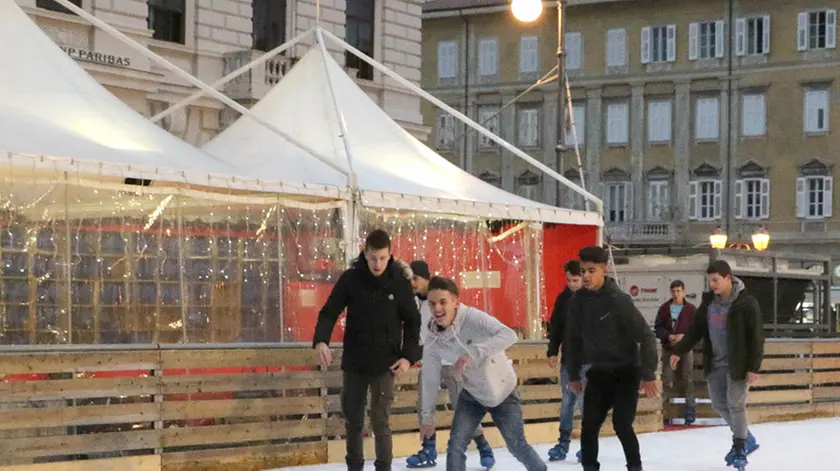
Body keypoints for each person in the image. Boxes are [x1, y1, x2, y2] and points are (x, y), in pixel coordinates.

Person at [313, 229, 421, 471]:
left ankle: (384, 467)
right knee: (353, 420)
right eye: (373, 258)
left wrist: (407, 357)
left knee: (380, 420)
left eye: (382, 258)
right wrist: (322, 340)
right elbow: (329, 311)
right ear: (365, 252)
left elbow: (413, 321)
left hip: (387, 363)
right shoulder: (351, 279)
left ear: (390, 255)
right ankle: (355, 467)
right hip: (355, 362)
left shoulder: (399, 282)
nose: (377, 264)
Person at [419, 277, 546, 471]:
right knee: (455, 447)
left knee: (517, 446)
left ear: (455, 302)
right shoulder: (432, 338)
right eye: (432, 304)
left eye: (443, 302)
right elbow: (429, 377)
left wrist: (472, 353)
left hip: (503, 391)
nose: (437, 309)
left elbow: (508, 335)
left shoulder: (473, 318)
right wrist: (427, 417)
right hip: (472, 394)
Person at [564, 246, 661, 471]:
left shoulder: (618, 300)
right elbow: (572, 339)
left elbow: (646, 337)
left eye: (591, 270)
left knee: (622, 424)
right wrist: (573, 373)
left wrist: (648, 375)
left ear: (603, 271)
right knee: (589, 426)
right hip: (599, 372)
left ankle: (634, 467)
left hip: (626, 371)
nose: (586, 276)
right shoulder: (578, 301)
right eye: (583, 271)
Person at [670, 260, 764, 470]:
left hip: (737, 363)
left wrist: (754, 366)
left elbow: (757, 337)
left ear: (728, 278)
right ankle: (746, 437)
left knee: (735, 404)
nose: (712, 284)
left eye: (715, 280)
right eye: (709, 280)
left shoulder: (746, 303)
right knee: (719, 404)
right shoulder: (709, 303)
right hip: (715, 363)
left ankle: (739, 446)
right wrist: (679, 350)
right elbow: (695, 330)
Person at [406, 262, 495, 469]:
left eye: (415, 279)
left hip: (453, 362)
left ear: (425, 278)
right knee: (424, 405)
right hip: (431, 362)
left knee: (462, 407)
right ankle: (428, 448)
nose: (412, 284)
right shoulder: (416, 303)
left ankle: (483, 445)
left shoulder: (446, 301)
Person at [546, 260, 587, 462]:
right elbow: (556, 327)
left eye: (575, 280)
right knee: (567, 402)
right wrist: (553, 351)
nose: (572, 284)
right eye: (569, 280)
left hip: (588, 361)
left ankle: (588, 444)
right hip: (569, 361)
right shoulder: (563, 299)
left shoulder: (592, 299)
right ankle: (563, 443)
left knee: (584, 403)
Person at [654, 279, 698, 425]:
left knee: (687, 378)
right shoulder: (664, 308)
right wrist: (668, 336)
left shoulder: (691, 309)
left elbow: (697, 329)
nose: (676, 294)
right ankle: (663, 411)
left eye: (678, 291)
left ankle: (690, 411)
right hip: (668, 348)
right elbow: (658, 327)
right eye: (673, 291)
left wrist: (685, 337)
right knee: (666, 379)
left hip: (685, 348)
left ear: (683, 291)